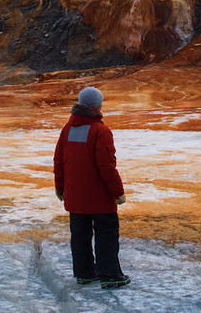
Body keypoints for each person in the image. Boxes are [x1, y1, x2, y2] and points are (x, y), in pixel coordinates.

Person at [54, 86, 130, 289]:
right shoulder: (100, 130)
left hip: (76, 196)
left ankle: (84, 273)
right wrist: (118, 192)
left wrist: (60, 188)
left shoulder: (67, 129)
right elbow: (106, 166)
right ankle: (110, 275)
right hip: (99, 198)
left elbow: (59, 161)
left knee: (80, 235)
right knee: (106, 233)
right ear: (96, 106)